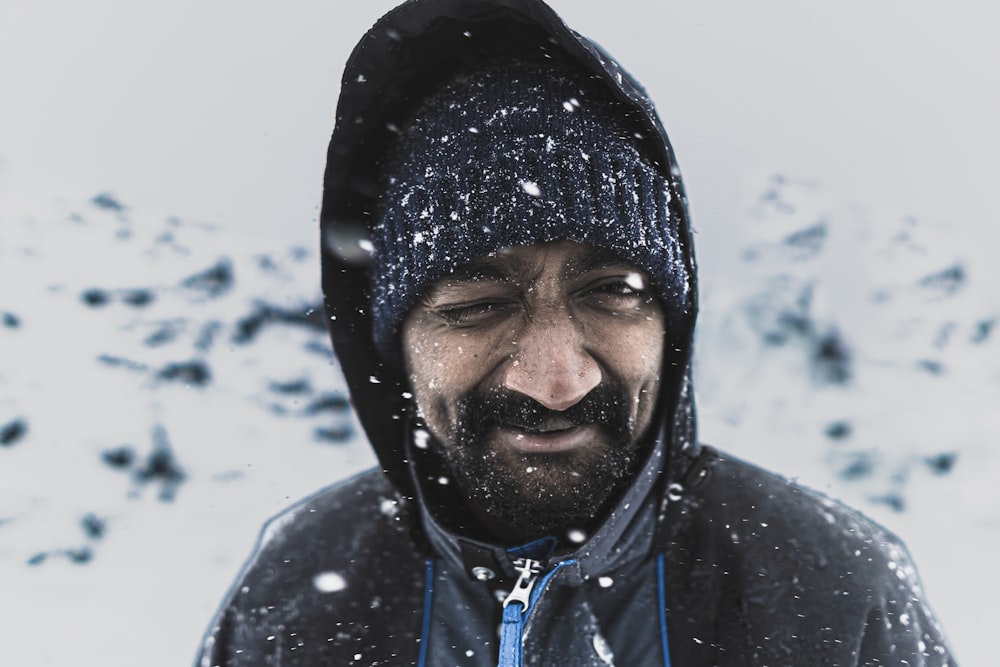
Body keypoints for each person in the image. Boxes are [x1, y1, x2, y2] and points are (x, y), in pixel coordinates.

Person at [196, 1, 955, 665]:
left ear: (672, 321)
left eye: (611, 293)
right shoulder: (301, 591)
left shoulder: (828, 592)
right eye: (476, 306)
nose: (558, 379)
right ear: (394, 344)